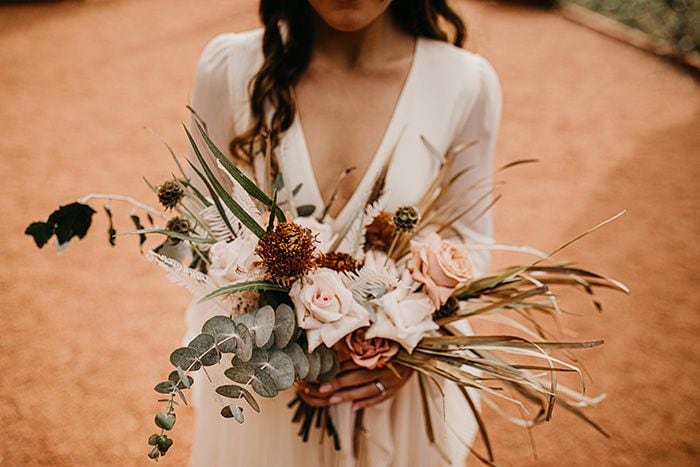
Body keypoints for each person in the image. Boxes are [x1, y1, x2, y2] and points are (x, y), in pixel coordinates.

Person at [183, 1, 502, 466]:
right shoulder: (230, 69)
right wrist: (273, 323)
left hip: (394, 402)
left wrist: (408, 346)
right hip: (261, 392)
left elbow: (470, 242)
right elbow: (194, 231)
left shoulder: (464, 83)